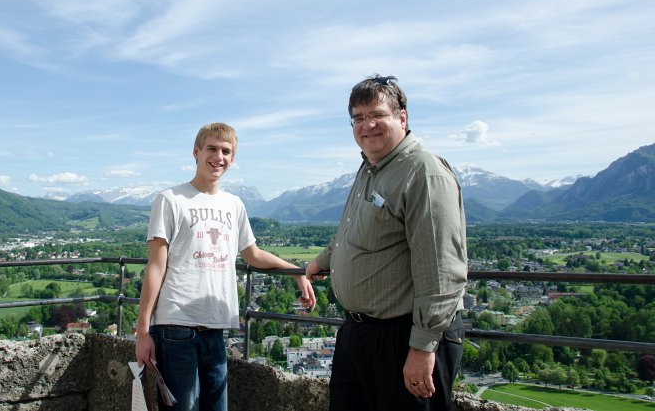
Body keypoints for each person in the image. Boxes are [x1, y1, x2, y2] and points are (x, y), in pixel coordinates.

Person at [306, 75, 468, 411]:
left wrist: (422, 348)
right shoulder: (370, 168)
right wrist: (323, 260)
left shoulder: (423, 172)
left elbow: (444, 270)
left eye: (377, 114)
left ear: (402, 117)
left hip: (403, 336)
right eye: (358, 118)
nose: (368, 125)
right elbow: (352, 231)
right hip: (360, 332)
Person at [136, 122, 316, 411]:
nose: (218, 157)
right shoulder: (170, 199)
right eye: (211, 148)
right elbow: (156, 267)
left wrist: (296, 272)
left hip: (216, 328)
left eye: (225, 151)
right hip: (175, 327)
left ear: (232, 159)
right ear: (196, 152)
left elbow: (253, 254)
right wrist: (143, 332)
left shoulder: (234, 204)